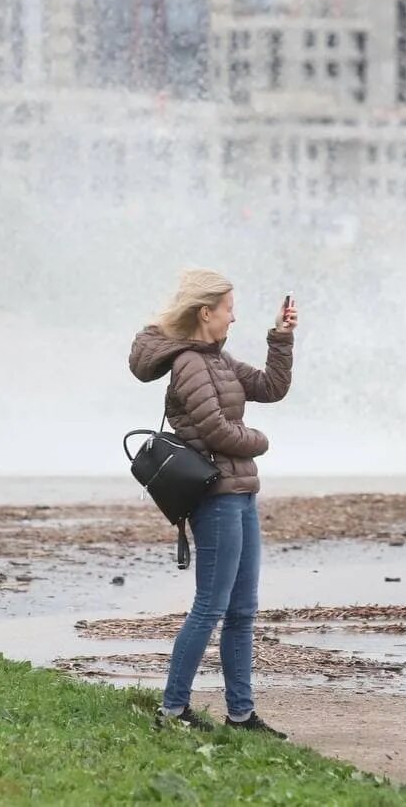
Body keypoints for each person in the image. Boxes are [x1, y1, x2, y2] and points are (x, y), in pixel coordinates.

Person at [128, 268, 297, 738]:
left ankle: (241, 715)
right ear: (206, 312)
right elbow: (217, 432)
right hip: (217, 501)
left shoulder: (217, 360)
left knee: (242, 611)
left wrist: (281, 338)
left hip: (241, 494)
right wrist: (261, 442)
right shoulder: (190, 364)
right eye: (227, 309)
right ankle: (173, 709)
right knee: (210, 607)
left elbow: (271, 388)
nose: (233, 317)